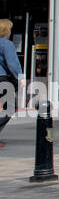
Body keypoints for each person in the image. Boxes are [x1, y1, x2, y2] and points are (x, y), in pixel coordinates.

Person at [0, 19, 18, 148]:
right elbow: (12, 64)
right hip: (2, 79)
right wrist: (20, 78)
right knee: (10, 107)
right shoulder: (6, 44)